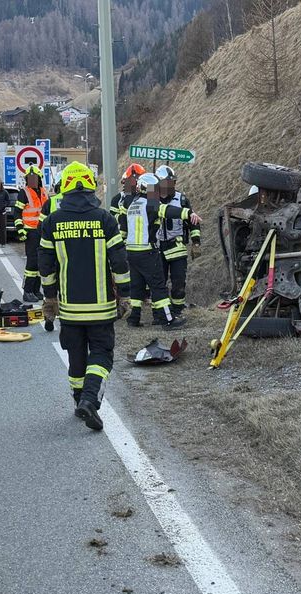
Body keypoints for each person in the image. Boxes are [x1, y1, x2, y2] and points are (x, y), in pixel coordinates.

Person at [39, 162, 132, 430]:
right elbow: (120, 262)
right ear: (91, 186)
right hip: (101, 308)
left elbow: (45, 264)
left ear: (65, 187)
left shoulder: (53, 222)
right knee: (101, 354)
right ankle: (90, 401)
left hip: (69, 309)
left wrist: (50, 298)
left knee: (76, 356)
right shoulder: (105, 219)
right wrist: (124, 295)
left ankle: (80, 398)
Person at [121, 173, 199, 328]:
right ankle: (168, 320)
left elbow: (123, 226)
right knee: (158, 286)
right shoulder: (150, 204)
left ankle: (133, 319)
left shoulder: (131, 204)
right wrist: (189, 213)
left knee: (137, 286)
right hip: (147, 252)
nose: (157, 191)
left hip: (131, 252)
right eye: (155, 188)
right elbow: (168, 211)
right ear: (147, 188)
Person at [155, 165, 199, 319]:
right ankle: (162, 312)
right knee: (159, 282)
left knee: (178, 281)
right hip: (157, 248)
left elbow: (193, 221)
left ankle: (177, 310)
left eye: (172, 182)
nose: (170, 185)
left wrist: (196, 242)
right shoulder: (150, 198)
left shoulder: (181, 199)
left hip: (177, 247)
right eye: (167, 182)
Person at [16, 166, 50, 302]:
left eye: (34, 178)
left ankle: (36, 290)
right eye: (29, 178)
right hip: (30, 232)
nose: (32, 180)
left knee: (40, 262)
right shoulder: (23, 192)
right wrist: (20, 229)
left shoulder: (44, 192)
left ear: (39, 179)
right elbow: (17, 212)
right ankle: (27, 291)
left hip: (43, 231)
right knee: (32, 262)